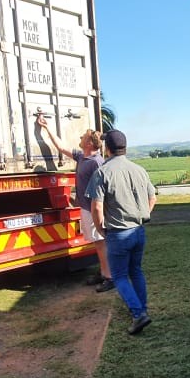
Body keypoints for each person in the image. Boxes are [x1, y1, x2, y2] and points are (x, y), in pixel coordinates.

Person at [85, 129, 157, 334]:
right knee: (136, 271)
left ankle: (138, 314)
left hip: (118, 232)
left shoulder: (102, 172)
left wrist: (101, 229)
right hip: (138, 231)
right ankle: (141, 309)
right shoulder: (139, 169)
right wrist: (142, 215)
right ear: (125, 147)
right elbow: (153, 198)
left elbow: (96, 207)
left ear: (107, 148)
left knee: (119, 276)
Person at [35, 113, 113, 291]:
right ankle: (104, 272)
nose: (80, 138)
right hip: (86, 207)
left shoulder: (96, 162)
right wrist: (47, 127)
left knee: (100, 242)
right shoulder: (81, 157)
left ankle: (109, 276)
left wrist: (99, 210)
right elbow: (61, 147)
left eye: (83, 137)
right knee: (97, 242)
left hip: (94, 208)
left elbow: (104, 188)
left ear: (89, 143)